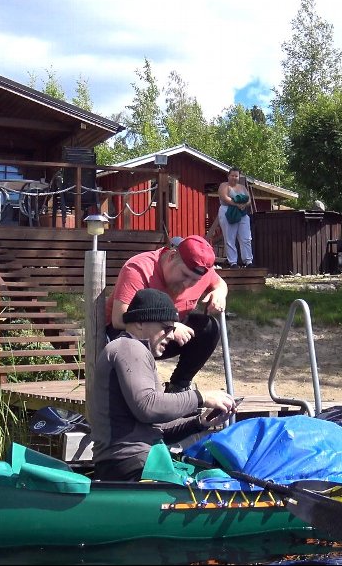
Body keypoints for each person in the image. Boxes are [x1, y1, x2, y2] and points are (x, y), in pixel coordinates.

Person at [89, 288, 237, 481]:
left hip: (133, 463)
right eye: (167, 328)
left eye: (173, 329)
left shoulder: (135, 351)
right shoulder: (128, 347)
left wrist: (199, 423)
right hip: (129, 466)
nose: (171, 335)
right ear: (141, 322)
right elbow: (148, 406)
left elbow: (158, 429)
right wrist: (201, 397)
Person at [105, 235, 227, 393]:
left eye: (194, 281)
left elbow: (219, 282)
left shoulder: (200, 273)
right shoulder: (139, 268)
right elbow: (119, 318)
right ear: (171, 257)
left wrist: (220, 292)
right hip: (124, 338)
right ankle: (137, 392)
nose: (187, 284)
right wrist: (171, 325)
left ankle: (179, 386)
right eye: (184, 275)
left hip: (165, 336)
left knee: (209, 328)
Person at [217, 167, 253, 268]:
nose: (234, 177)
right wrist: (236, 204)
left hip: (242, 213)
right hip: (228, 211)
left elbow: (249, 199)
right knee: (230, 237)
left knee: (246, 238)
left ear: (239, 177)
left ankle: (248, 261)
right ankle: (233, 262)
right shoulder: (224, 185)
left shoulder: (242, 187)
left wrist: (244, 205)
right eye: (232, 175)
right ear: (228, 176)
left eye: (236, 176)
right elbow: (224, 197)